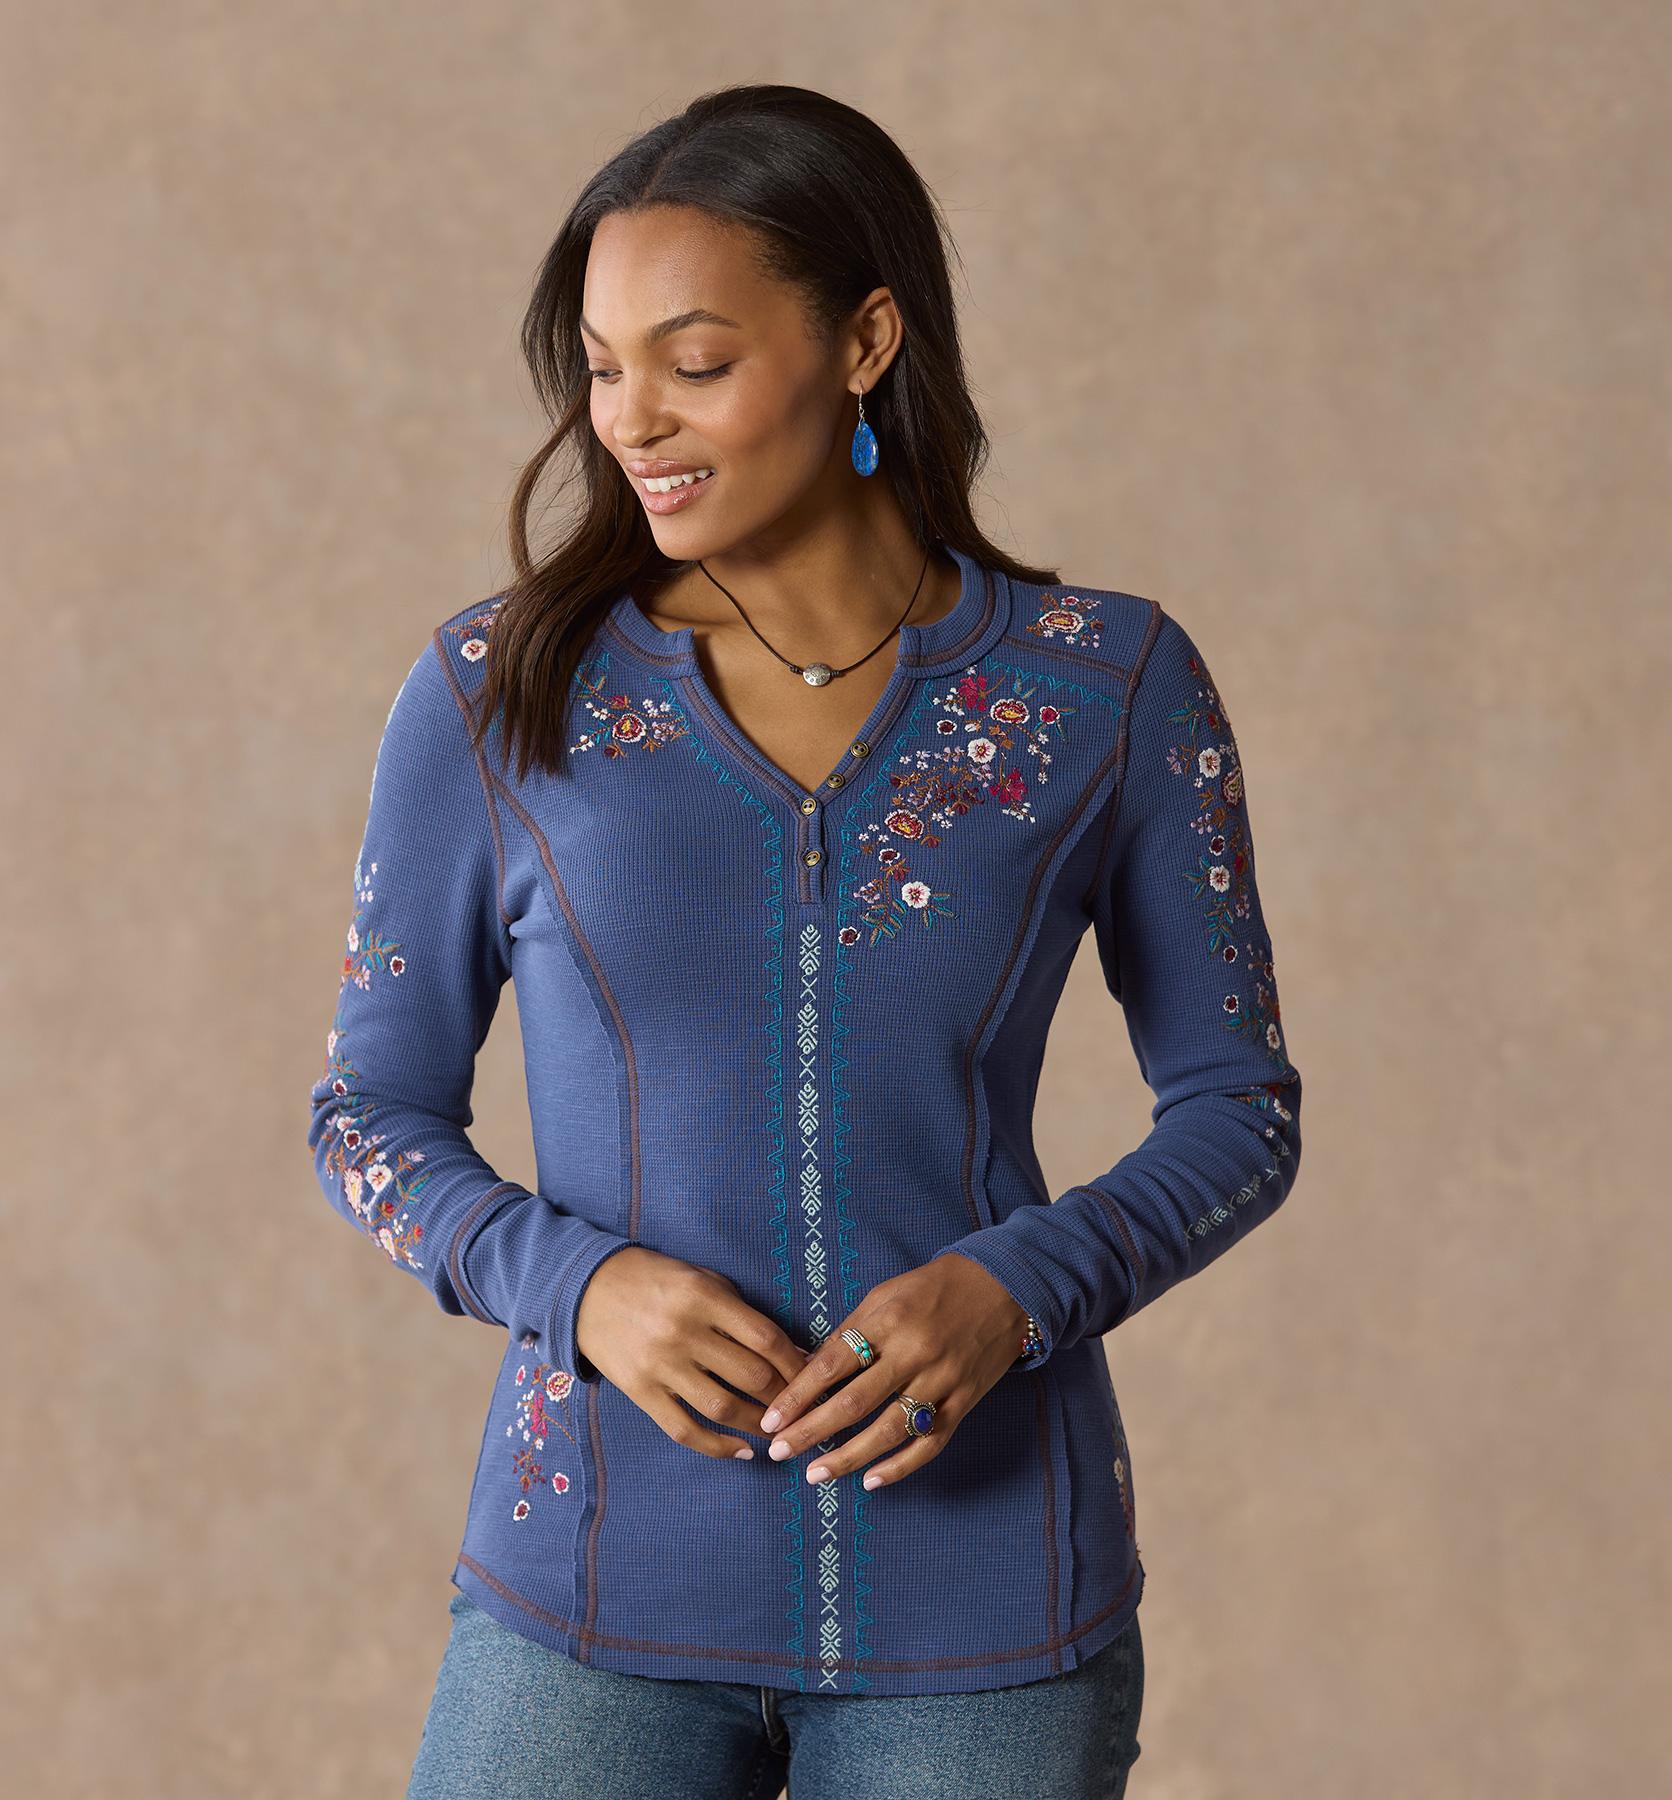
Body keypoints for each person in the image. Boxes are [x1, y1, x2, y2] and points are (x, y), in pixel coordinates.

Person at [307, 81, 1302, 1800]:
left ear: (865, 341)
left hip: (986, 1609)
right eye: (601, 369)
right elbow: (365, 1120)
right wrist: (578, 1286)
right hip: (593, 1587)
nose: (633, 421)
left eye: (694, 363)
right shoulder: (499, 694)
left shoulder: (1107, 688)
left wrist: (1019, 1287)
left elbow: (1240, 1112)